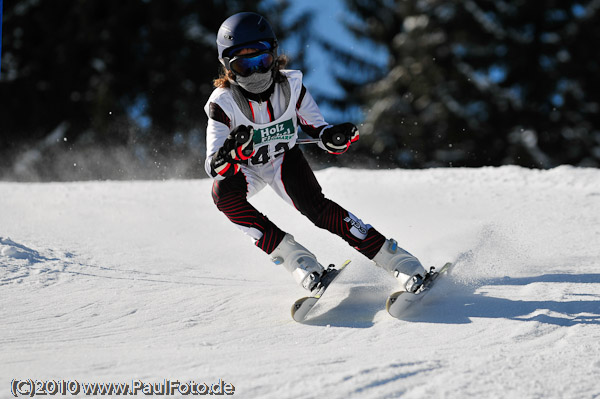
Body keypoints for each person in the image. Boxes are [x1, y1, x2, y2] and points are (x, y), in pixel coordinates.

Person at [204, 12, 428, 293]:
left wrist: (333, 137)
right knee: (223, 195)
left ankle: (402, 263)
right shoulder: (223, 103)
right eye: (244, 65)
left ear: (274, 55)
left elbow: (318, 128)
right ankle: (299, 263)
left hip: (282, 161)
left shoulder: (291, 86)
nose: (257, 72)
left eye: (262, 61)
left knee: (319, 211)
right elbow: (214, 166)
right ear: (228, 67)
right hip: (246, 168)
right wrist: (230, 154)